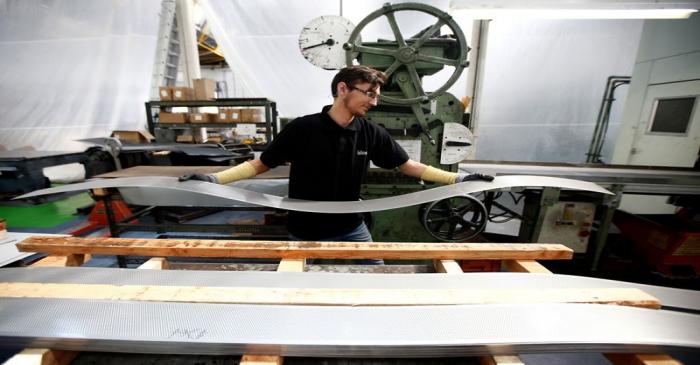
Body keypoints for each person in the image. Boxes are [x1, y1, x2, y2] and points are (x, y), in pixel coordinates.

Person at [180, 66, 493, 247]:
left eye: (377, 95)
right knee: (296, 287)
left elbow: (409, 166)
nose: (374, 101)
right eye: (369, 93)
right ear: (343, 89)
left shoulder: (371, 132)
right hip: (304, 228)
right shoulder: (304, 128)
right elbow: (259, 165)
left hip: (351, 227)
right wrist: (213, 178)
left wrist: (459, 178)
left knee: (375, 274)